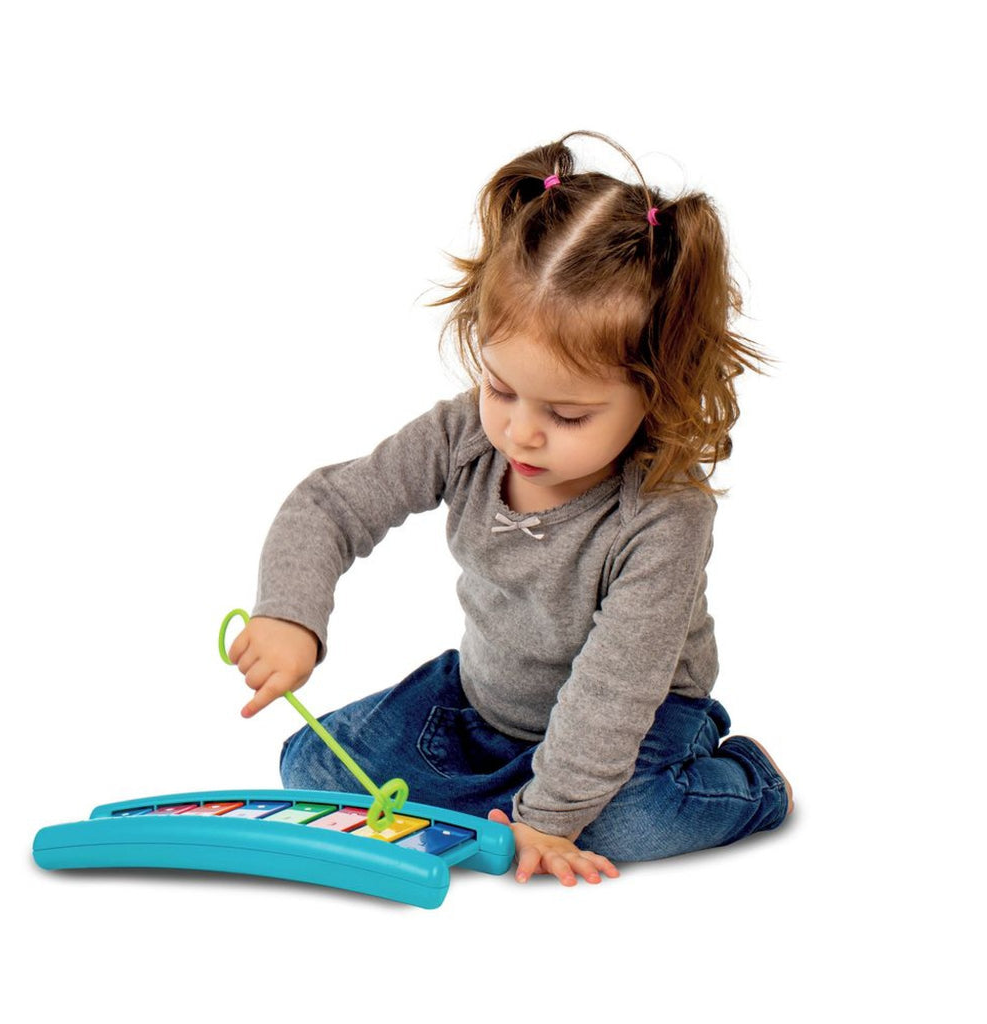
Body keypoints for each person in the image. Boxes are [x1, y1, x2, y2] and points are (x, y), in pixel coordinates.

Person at [228, 131, 792, 886]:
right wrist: (291, 614)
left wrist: (552, 817)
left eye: (567, 414)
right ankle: (504, 795)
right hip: (485, 703)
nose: (521, 432)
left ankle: (748, 779)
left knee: (626, 821)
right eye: (501, 388)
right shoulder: (464, 435)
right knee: (315, 771)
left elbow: (614, 689)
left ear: (656, 393)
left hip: (638, 720)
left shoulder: (665, 514)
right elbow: (331, 504)